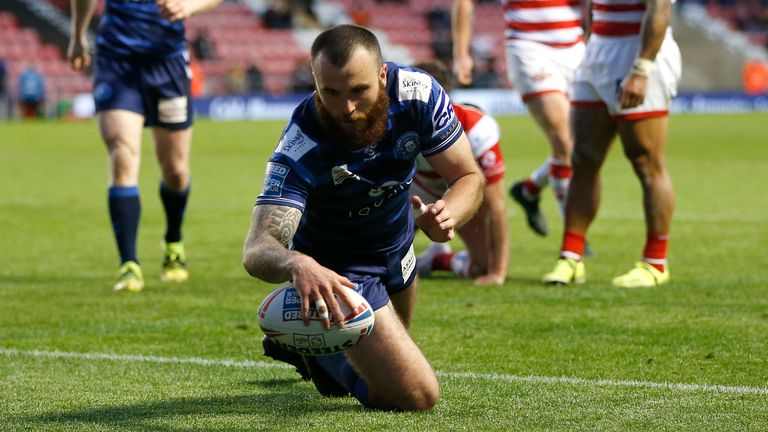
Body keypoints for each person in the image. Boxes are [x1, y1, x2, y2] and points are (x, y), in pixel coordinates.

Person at [243, 25, 484, 410]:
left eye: (359, 91)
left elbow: (468, 176)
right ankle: (323, 353)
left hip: (397, 246)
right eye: (331, 93)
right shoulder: (302, 141)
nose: (346, 109)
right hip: (340, 269)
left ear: (383, 75)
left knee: (376, 363)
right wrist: (298, 263)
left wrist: (449, 212)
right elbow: (257, 248)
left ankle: (318, 352)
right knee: (417, 396)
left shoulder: (418, 94)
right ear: (315, 82)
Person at [68, 0, 222, 292]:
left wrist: (189, 6)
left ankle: (173, 241)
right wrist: (78, 36)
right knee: (122, 155)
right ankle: (129, 264)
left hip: (168, 64)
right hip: (117, 63)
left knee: (175, 171)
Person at [542, 0, 681, 287]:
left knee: (645, 160)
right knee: (583, 158)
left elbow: (660, 9)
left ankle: (655, 263)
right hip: (599, 50)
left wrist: (642, 68)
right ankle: (571, 257)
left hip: (637, 51)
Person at [453, 0, 585, 238]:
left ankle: (529, 190)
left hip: (577, 47)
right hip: (530, 48)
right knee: (565, 144)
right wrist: (461, 54)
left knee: (584, 149)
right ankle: (574, 243)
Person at [412, 60, 508, 286]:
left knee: (480, 266)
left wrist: (496, 272)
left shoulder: (477, 128)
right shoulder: (396, 123)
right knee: (379, 262)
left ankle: (438, 260)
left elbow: (495, 206)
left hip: (458, 193)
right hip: (413, 190)